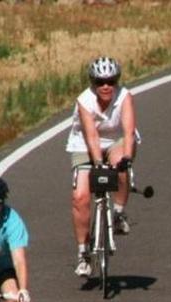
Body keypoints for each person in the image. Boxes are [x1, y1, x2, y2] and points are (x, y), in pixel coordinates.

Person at [65, 55, 141, 277]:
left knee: (120, 165)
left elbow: (128, 132)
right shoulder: (84, 101)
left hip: (117, 140)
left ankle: (118, 213)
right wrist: (98, 164)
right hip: (86, 144)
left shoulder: (124, 97)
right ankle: (83, 253)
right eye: (100, 82)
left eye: (111, 81)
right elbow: (91, 136)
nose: (106, 86)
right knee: (80, 197)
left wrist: (126, 157)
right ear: (93, 83)